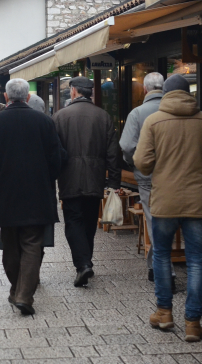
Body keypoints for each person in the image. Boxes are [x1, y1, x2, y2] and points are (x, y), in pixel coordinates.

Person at [134, 74, 202, 342]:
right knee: (196, 260)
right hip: (198, 199)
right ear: (188, 93)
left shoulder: (153, 121)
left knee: (162, 255)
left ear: (164, 93)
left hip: (165, 199)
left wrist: (161, 166)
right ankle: (193, 323)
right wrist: (201, 166)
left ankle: (164, 313)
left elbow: (142, 162)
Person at [0, 78, 61, 315]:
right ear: (27, 97)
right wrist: (49, 180)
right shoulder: (45, 122)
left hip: (5, 192)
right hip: (38, 191)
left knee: (10, 242)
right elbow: (56, 158)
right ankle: (24, 294)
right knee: (33, 242)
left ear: (6, 97)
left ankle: (18, 288)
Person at [53, 76, 120, 287]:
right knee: (90, 221)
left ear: (73, 91)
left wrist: (53, 175)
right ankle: (86, 261)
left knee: (73, 221)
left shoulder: (60, 117)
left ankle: (83, 264)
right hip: (95, 176)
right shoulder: (104, 117)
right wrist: (114, 182)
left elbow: (54, 152)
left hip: (69, 177)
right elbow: (113, 152)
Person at [119, 73, 177, 288]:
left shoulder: (138, 113)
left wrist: (135, 163)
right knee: (172, 221)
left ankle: (164, 271)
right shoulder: (175, 109)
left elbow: (126, 146)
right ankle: (156, 266)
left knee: (155, 221)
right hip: (176, 175)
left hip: (148, 176)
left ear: (144, 90)